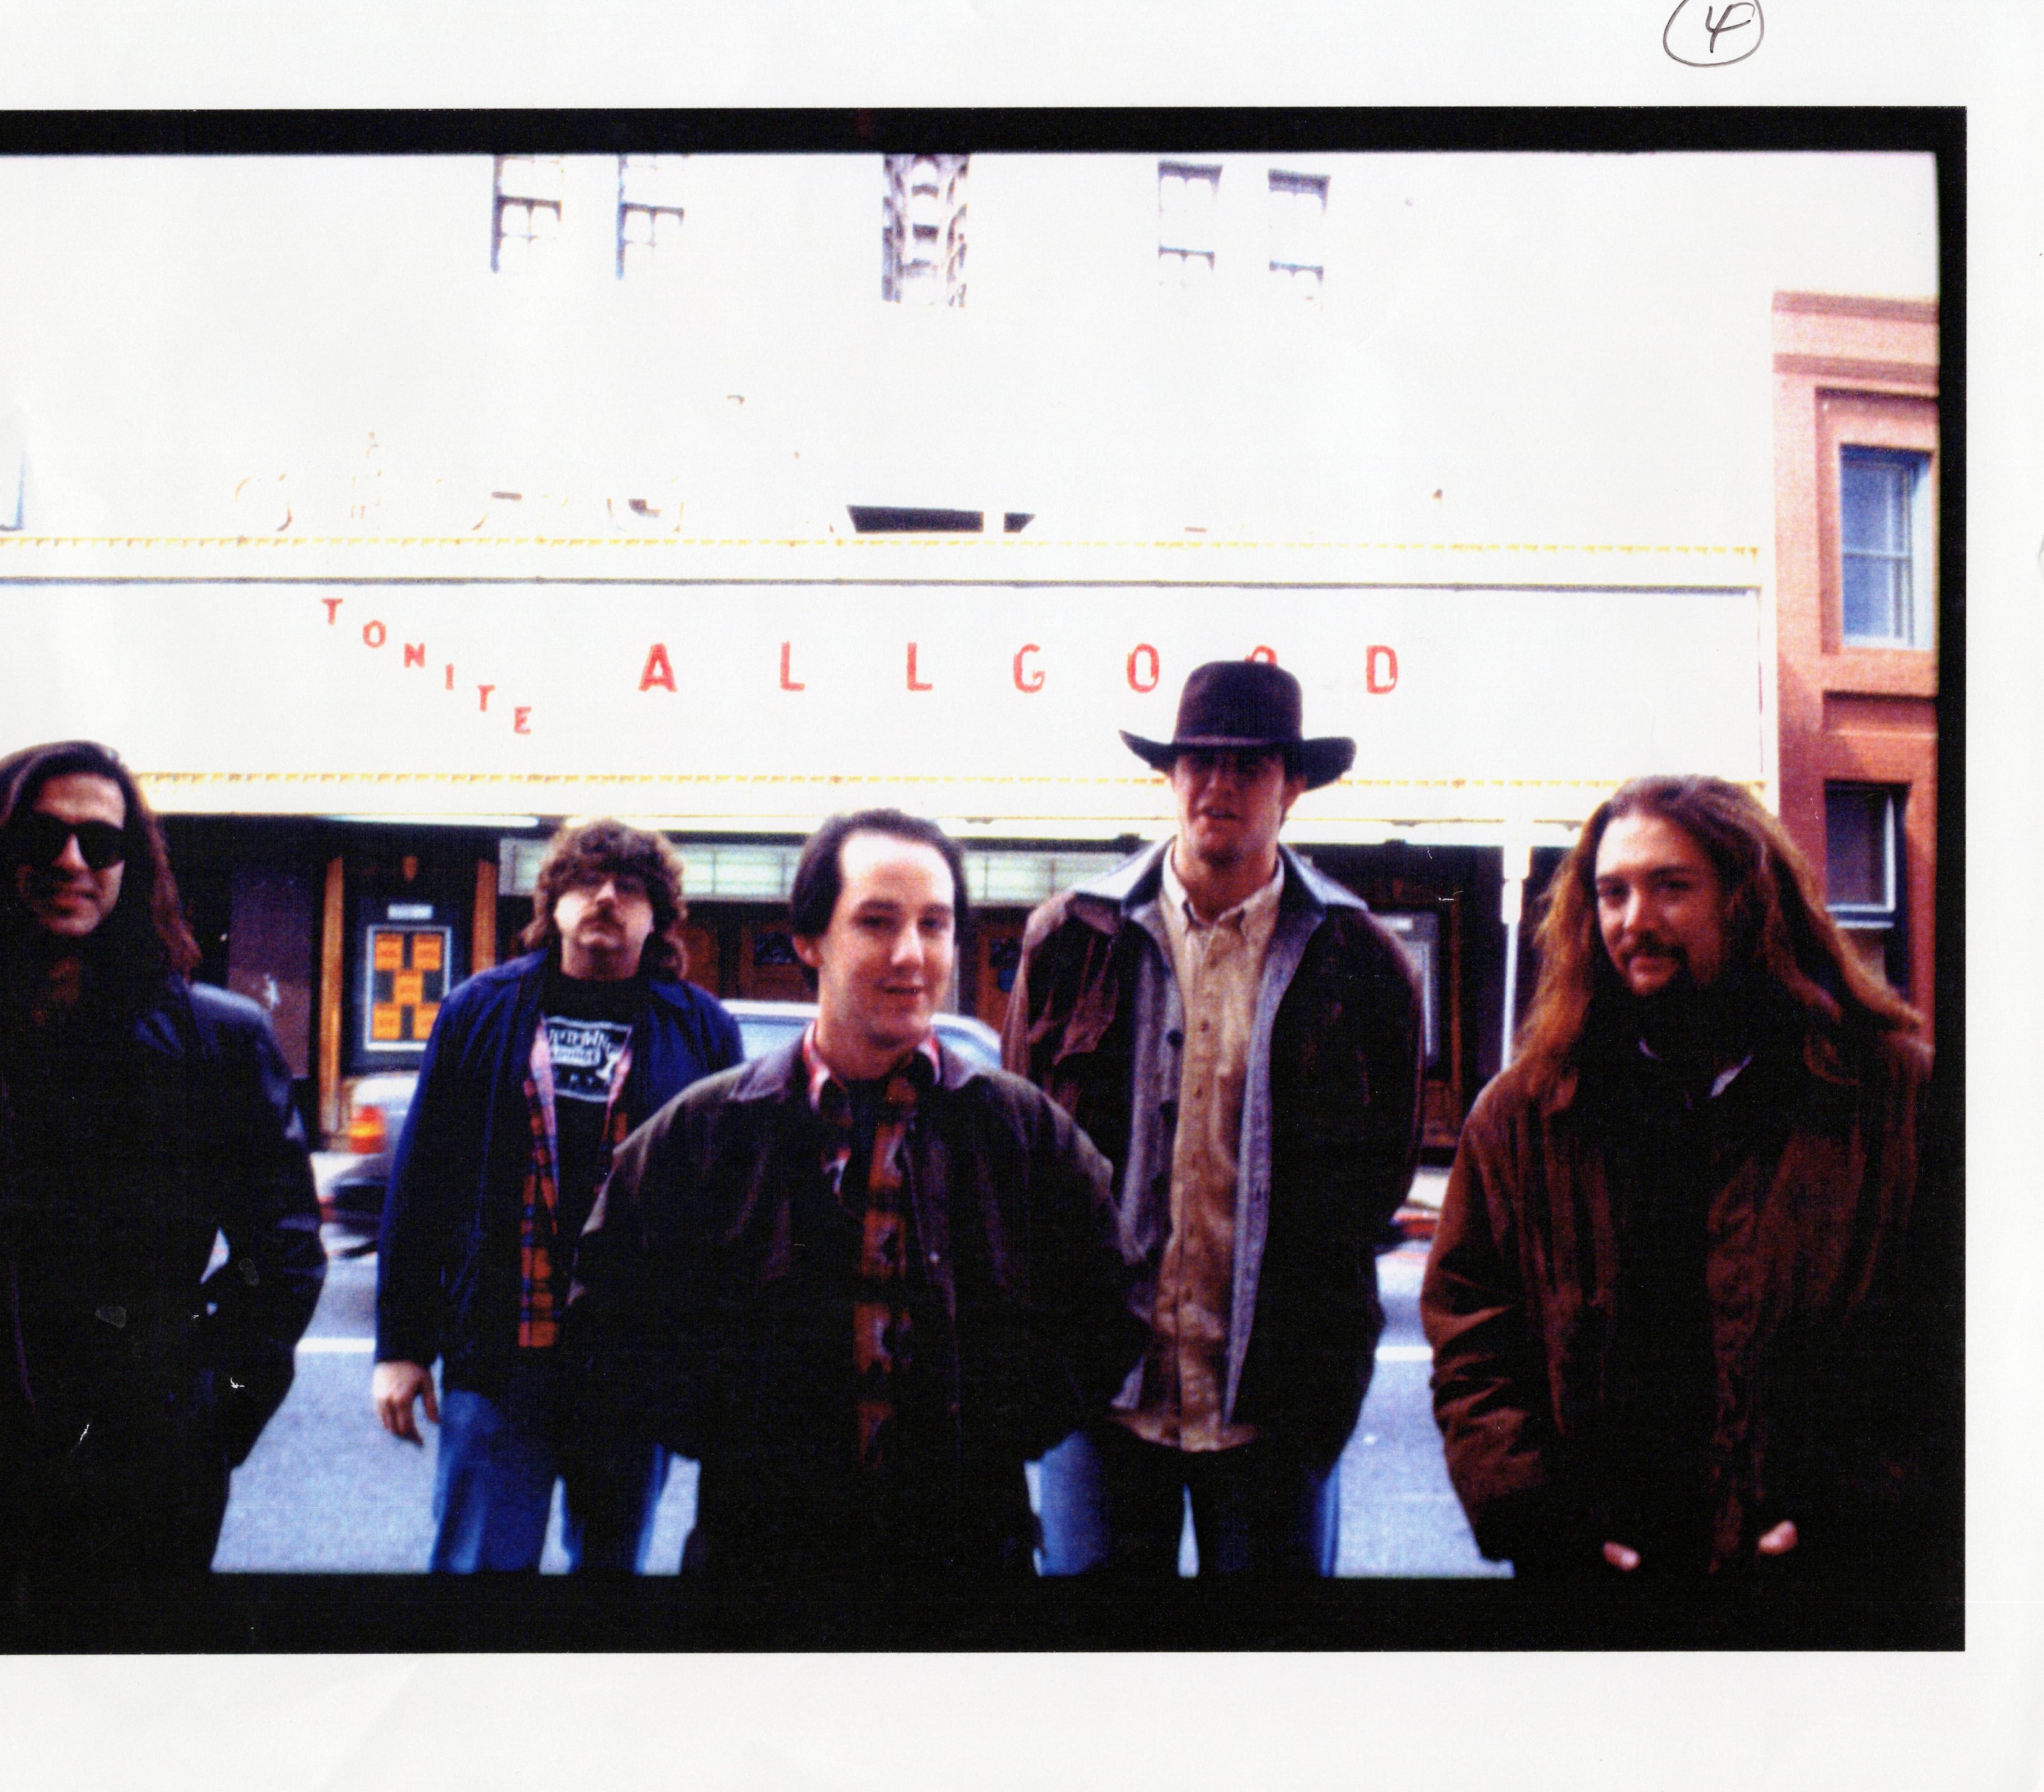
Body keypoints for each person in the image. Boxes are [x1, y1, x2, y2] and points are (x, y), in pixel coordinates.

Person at [564, 809, 1144, 1576]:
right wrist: (729, 1430)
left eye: (934, 924)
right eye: (876, 921)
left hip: (968, 1563)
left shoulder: (1020, 1130)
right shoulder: (708, 1130)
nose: (911, 954)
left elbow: (1112, 1301)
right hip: (760, 1567)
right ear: (809, 940)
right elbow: (606, 1306)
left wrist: (1004, 1428)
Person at [0, 740, 324, 1590]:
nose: (73, 861)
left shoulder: (219, 1046)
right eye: (41, 836)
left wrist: (203, 1425)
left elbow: (284, 1259)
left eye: (101, 842)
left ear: (131, 865)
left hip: (137, 1497)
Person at [1421, 775, 1950, 1580]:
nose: (1635, 920)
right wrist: (1532, 1510)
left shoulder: (1898, 1100)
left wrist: (1869, 1507)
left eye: (1670, 887)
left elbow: (1968, 1335)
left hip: (1828, 1587)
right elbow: (1472, 1339)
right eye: (1613, 893)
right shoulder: (1524, 1116)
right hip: (1596, 1590)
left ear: (1750, 900)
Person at [1003, 659, 1422, 1576]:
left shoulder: (1362, 963)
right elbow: (1021, 1164)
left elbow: (1376, 1187)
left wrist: (1325, 1375)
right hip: (1102, 1400)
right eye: (1198, 760)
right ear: (1170, 775)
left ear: (1293, 786)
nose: (1217, 784)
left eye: (1249, 764)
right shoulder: (1069, 939)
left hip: (1275, 1409)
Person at [371, 819, 741, 1571]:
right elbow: (422, 1185)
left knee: (608, 1581)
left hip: (634, 1366)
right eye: (587, 880)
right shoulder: (478, 1008)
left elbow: (727, 1210)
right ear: (554, 900)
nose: (606, 897)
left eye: (630, 886)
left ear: (658, 915)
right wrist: (401, 1347)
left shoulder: (702, 1029)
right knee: (480, 1572)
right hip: (498, 1356)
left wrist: (712, 1363)